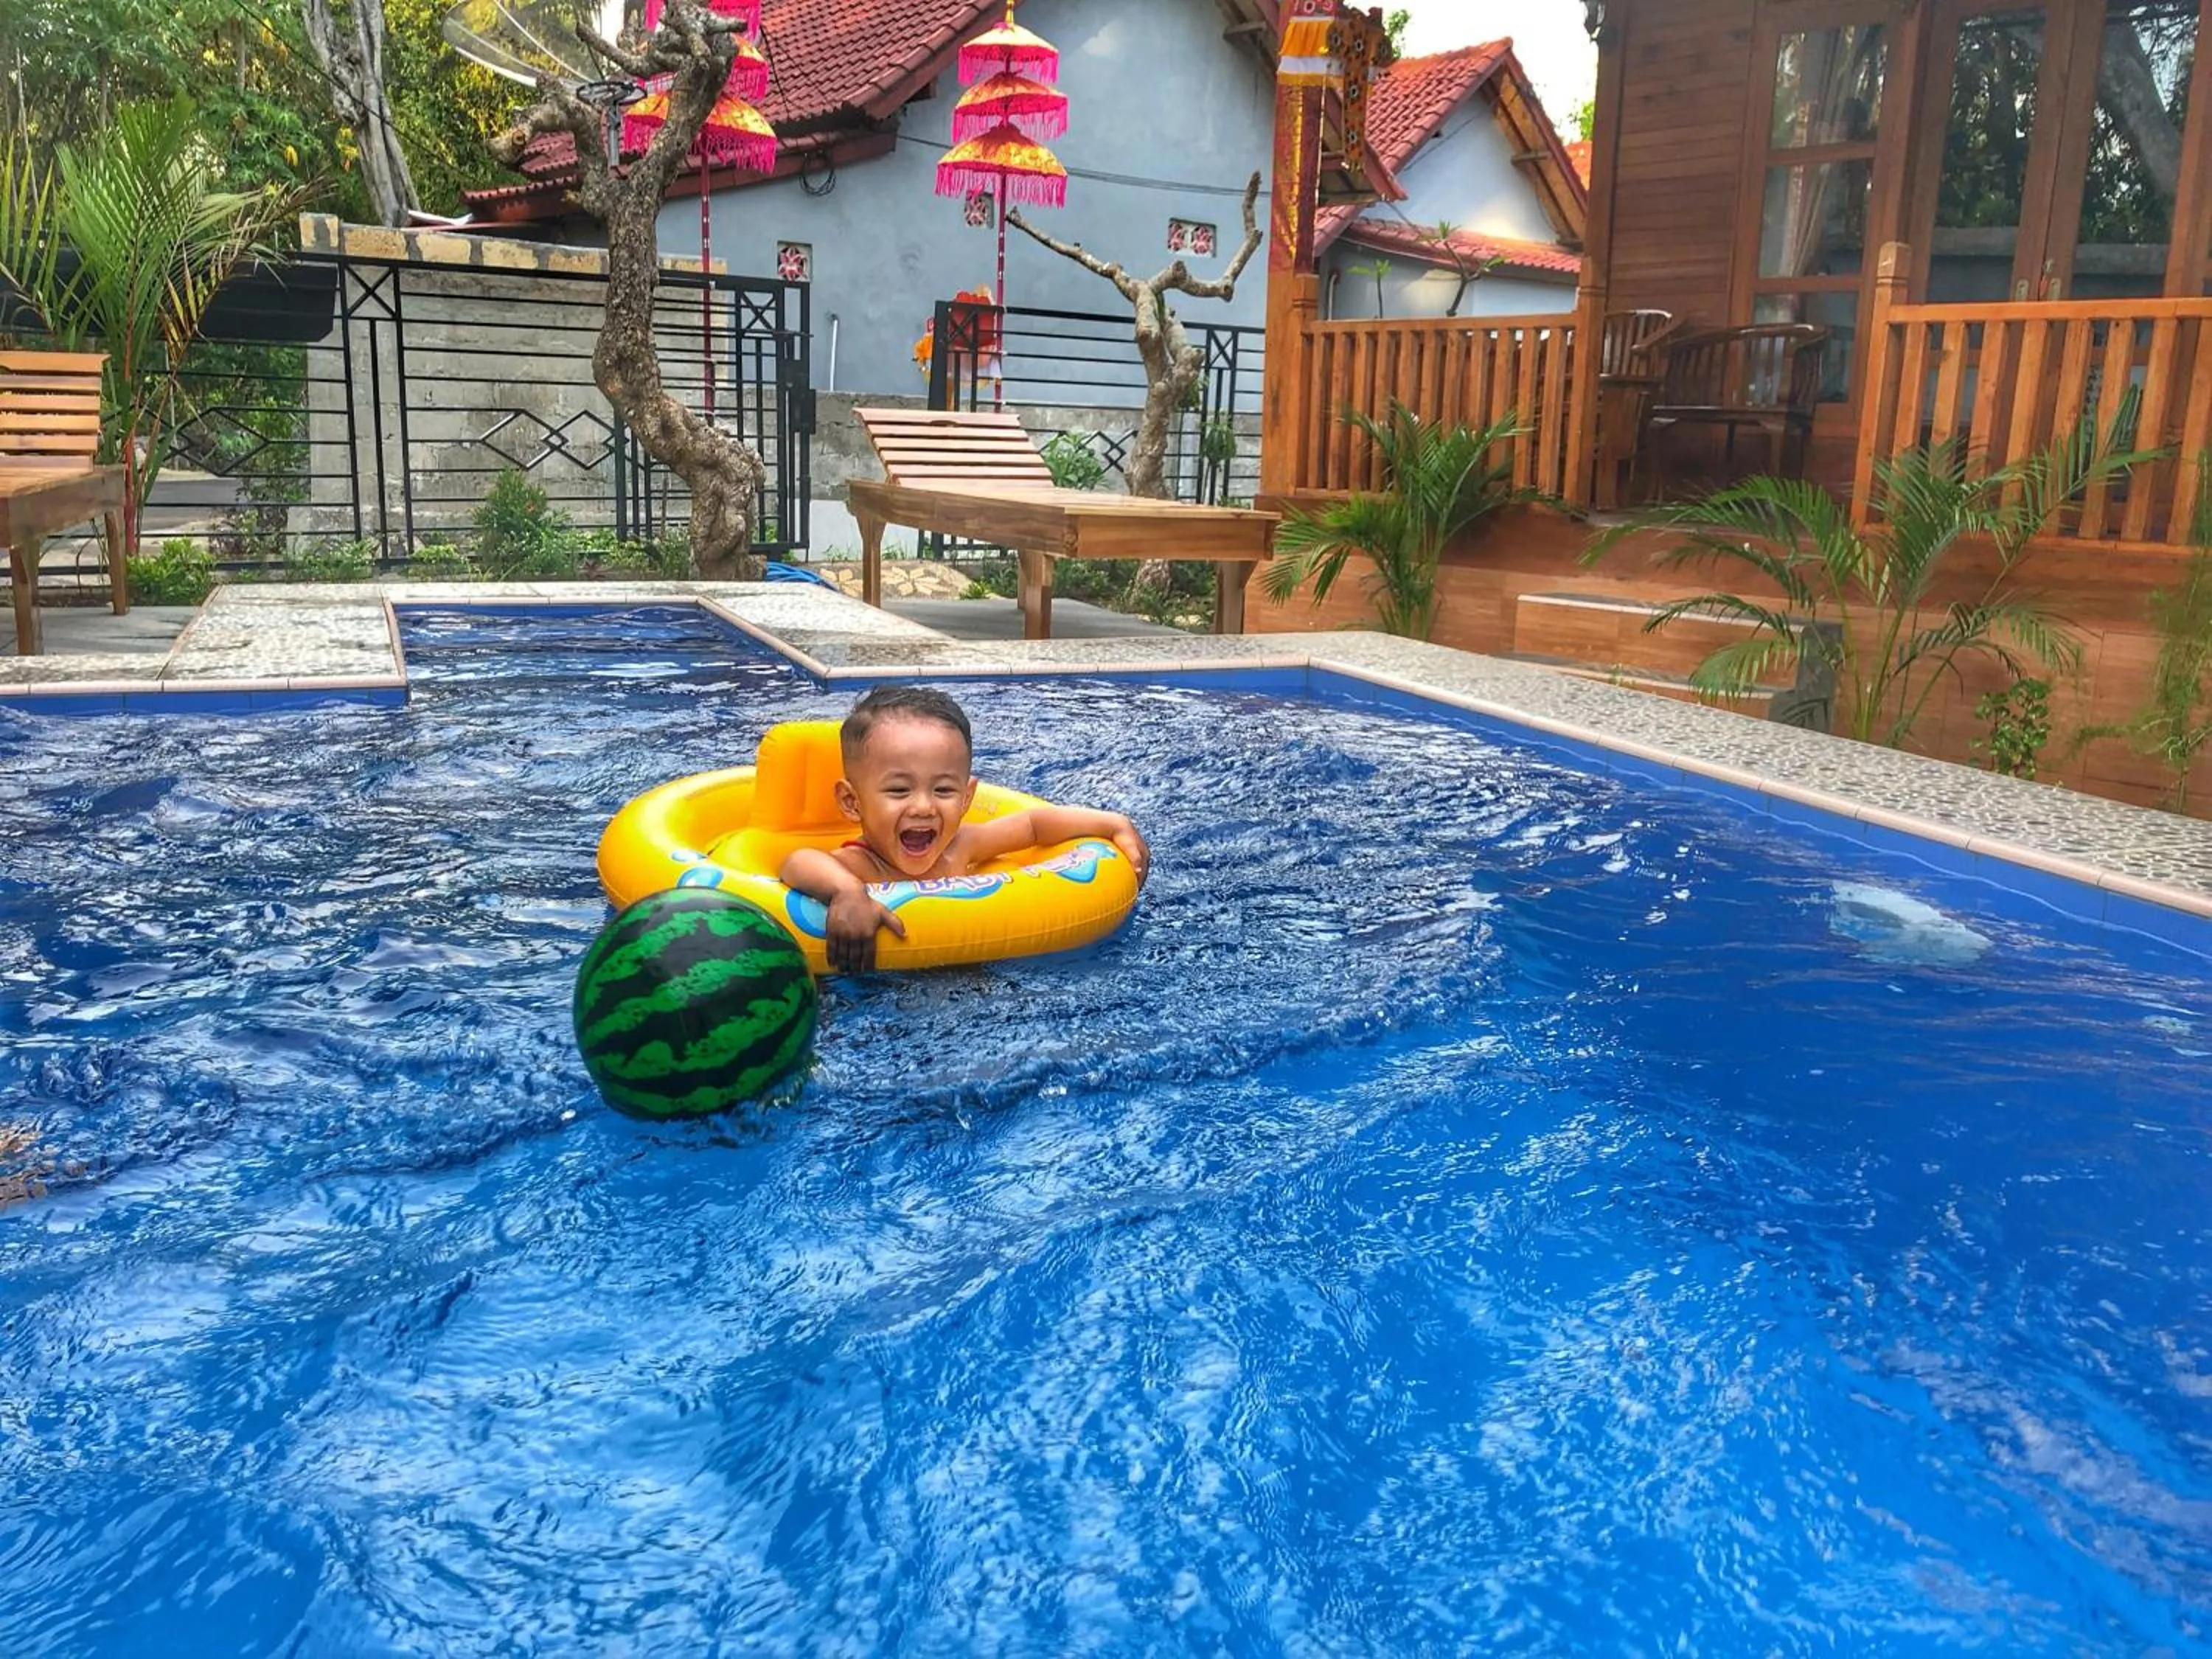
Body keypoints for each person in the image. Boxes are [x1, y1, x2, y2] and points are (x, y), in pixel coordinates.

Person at [779, 685, 1150, 973]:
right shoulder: (861, 867)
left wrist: (1113, 823)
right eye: (899, 790)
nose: (924, 806)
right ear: (851, 801)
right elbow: (797, 862)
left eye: (943, 790)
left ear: (967, 796)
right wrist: (848, 894)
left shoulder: (961, 846)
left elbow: (1033, 825)